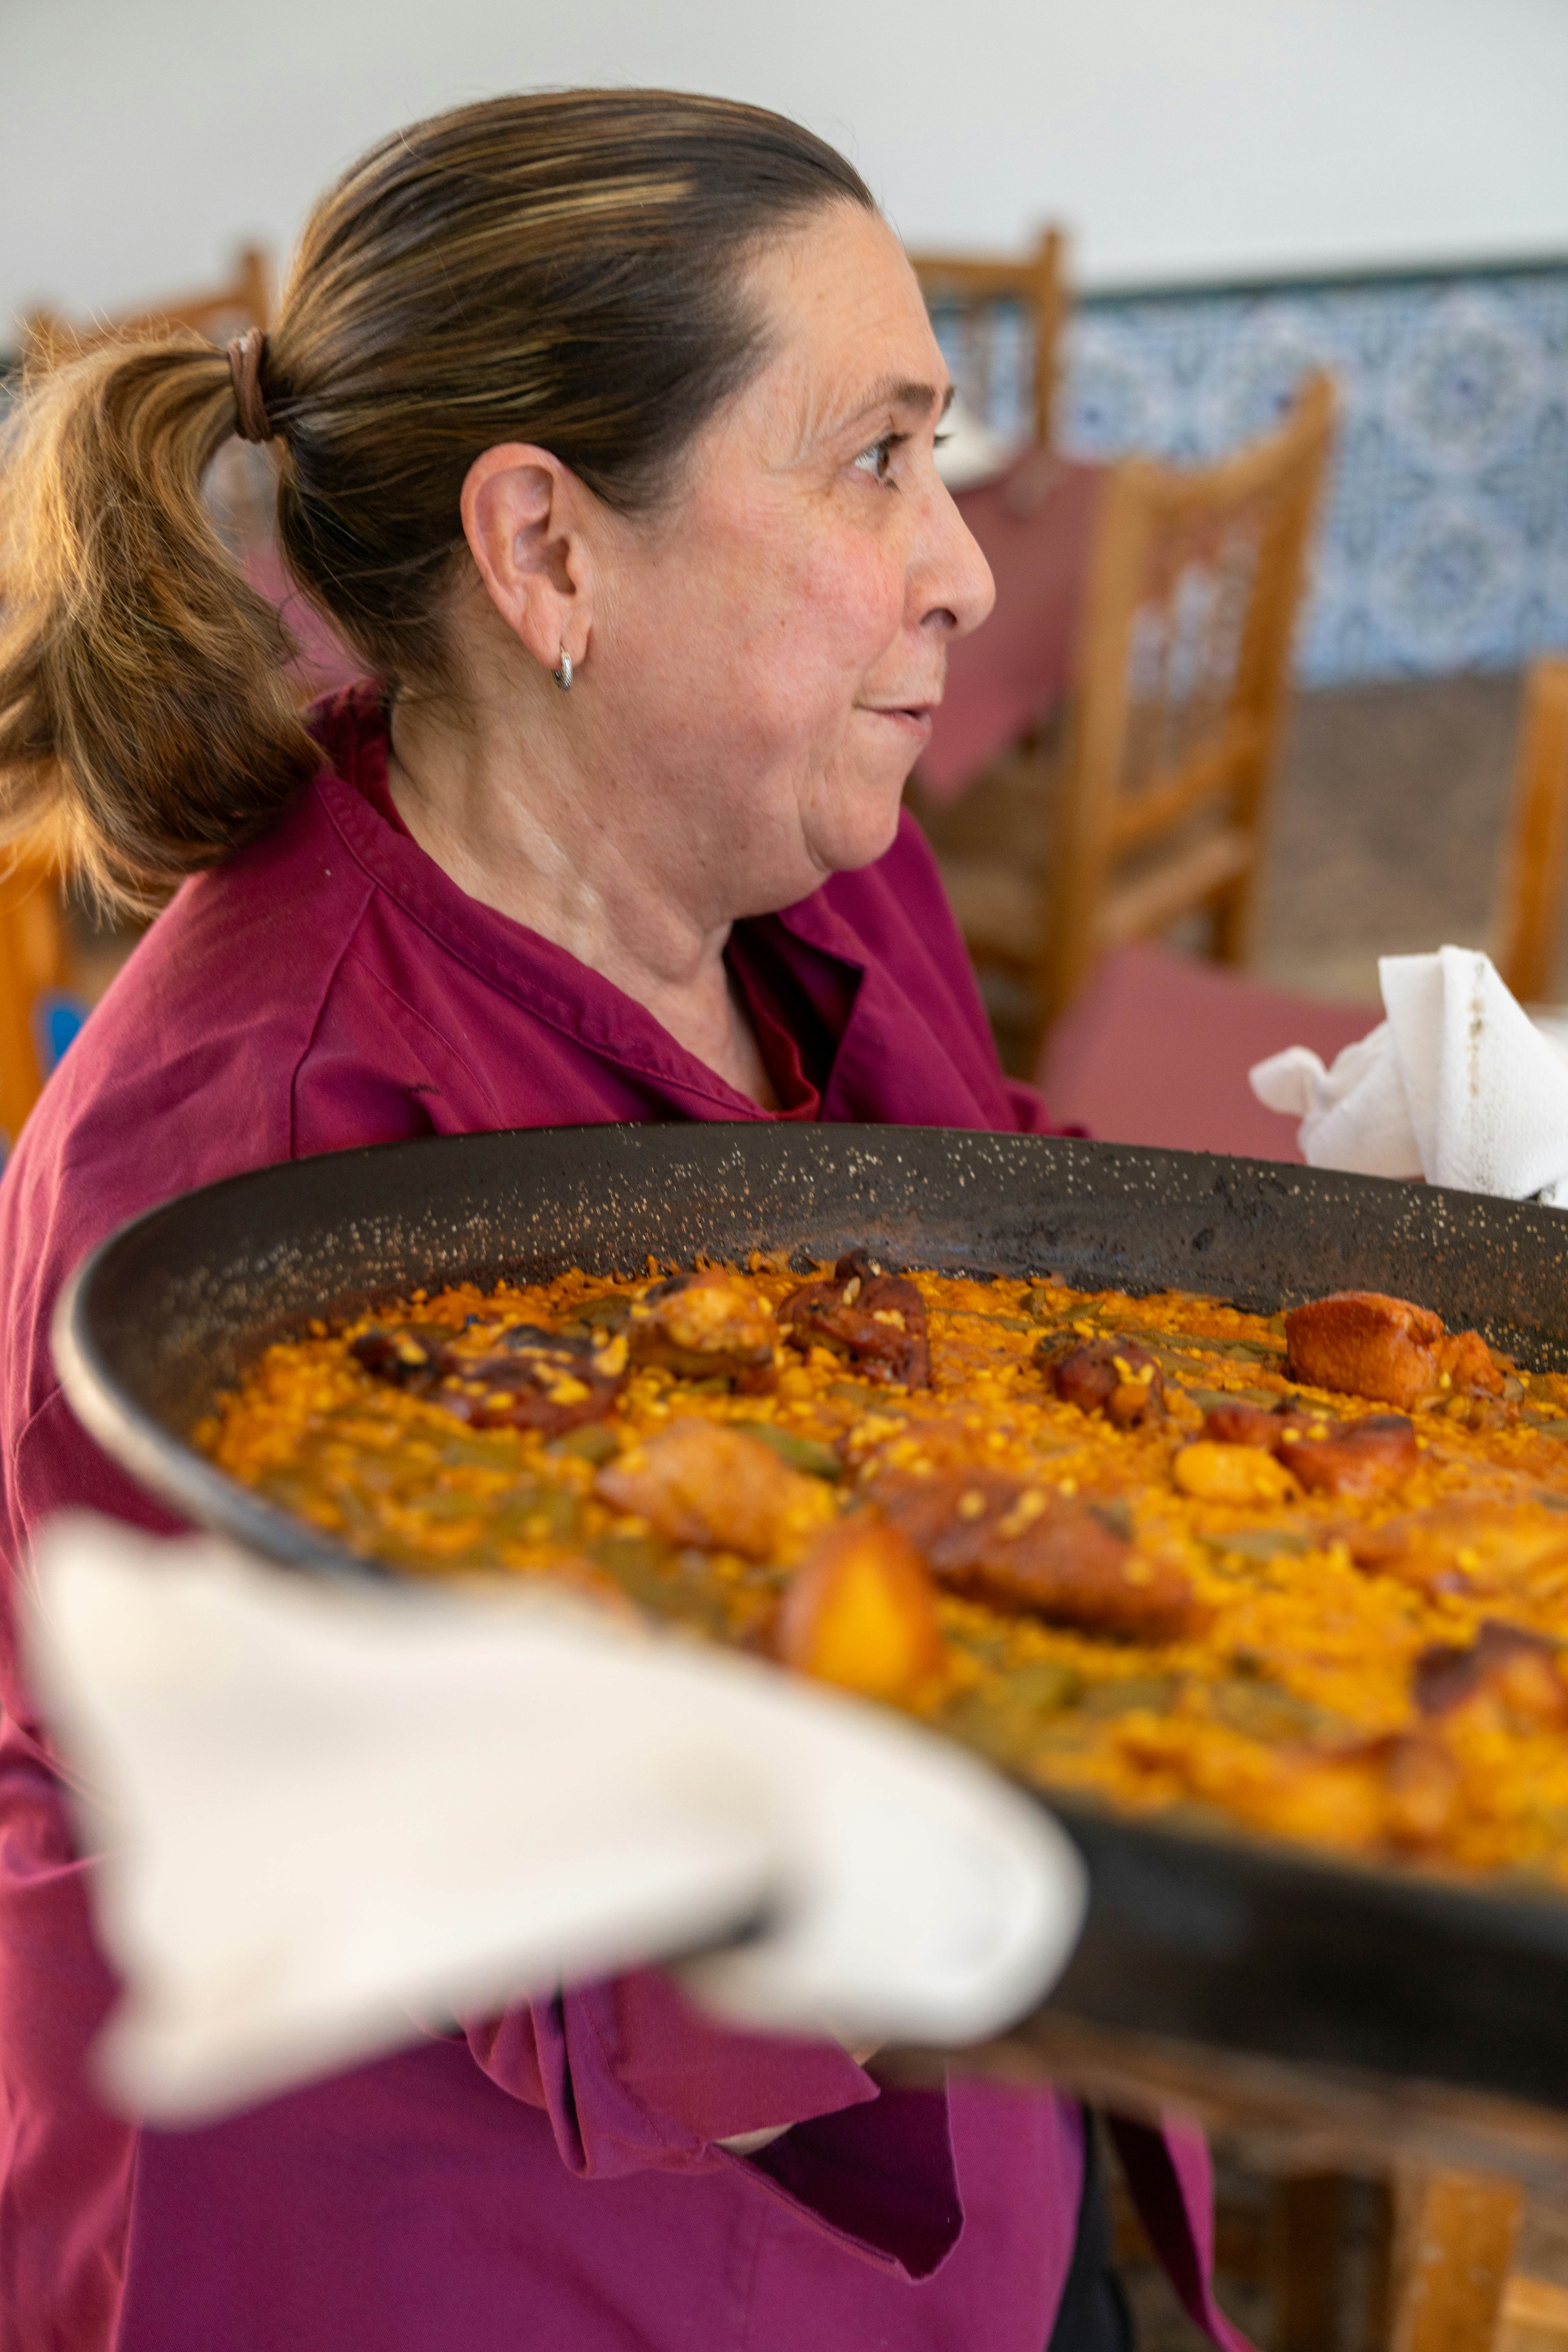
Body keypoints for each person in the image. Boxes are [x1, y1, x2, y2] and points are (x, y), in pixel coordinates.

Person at [0, 90, 1247, 2352]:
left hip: (959, 2084)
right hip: (478, 2239)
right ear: (550, 554)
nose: (960, 564)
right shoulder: (247, 1169)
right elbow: (587, 1969)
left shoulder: (805, 841)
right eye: (874, 457)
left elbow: (982, 1230)